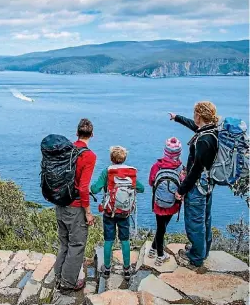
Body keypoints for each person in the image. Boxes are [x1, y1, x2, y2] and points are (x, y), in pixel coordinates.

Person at [169, 101, 219, 267]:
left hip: (197, 186)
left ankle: (196, 257)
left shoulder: (204, 141)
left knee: (195, 222)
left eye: (194, 113)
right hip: (208, 184)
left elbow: (196, 170)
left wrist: (181, 190)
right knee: (205, 219)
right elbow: (194, 126)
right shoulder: (212, 130)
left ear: (199, 115)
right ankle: (203, 250)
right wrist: (177, 118)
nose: (193, 116)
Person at [54, 118, 97, 291]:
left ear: (77, 133)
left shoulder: (66, 150)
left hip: (60, 202)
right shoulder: (89, 156)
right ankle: (68, 283)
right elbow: (84, 187)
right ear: (92, 134)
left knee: (64, 242)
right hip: (75, 206)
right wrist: (88, 212)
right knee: (77, 244)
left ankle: (59, 275)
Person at [91, 146, 144, 280]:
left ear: (111, 158)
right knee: (124, 240)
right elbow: (141, 188)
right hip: (124, 212)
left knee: (108, 240)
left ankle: (107, 269)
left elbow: (95, 188)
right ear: (124, 158)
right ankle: (126, 270)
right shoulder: (130, 173)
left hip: (109, 212)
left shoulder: (107, 172)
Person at [148, 137, 185, 266]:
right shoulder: (181, 168)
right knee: (162, 228)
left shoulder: (157, 166)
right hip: (172, 204)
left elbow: (151, 182)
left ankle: (153, 249)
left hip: (158, 203)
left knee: (160, 228)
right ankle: (160, 256)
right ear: (179, 153)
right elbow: (183, 186)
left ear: (165, 151)